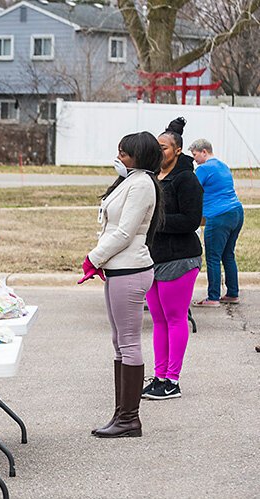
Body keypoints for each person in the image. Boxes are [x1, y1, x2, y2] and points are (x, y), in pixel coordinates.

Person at [79, 131, 163, 439]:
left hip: (130, 269)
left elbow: (125, 232)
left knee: (128, 342)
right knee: (119, 342)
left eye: (125, 153)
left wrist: (94, 258)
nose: (120, 157)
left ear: (139, 156)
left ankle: (129, 419)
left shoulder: (142, 184)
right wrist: (102, 261)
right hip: (119, 268)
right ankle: (121, 414)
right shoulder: (131, 181)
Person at [142, 117, 204, 401]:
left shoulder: (187, 179)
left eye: (164, 148)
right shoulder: (154, 177)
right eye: (157, 148)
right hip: (154, 259)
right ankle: (159, 377)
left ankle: (173, 381)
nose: (159, 152)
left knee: (175, 318)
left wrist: (156, 221)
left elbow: (191, 220)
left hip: (181, 259)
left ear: (177, 150)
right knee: (157, 320)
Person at [188, 138, 244, 307]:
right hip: (237, 212)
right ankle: (233, 293)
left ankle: (213, 297)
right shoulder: (223, 165)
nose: (194, 159)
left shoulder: (204, 169)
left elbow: (192, 192)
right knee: (228, 254)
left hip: (218, 216)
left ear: (204, 151)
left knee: (213, 257)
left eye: (195, 154)